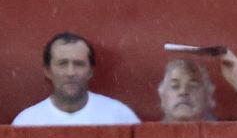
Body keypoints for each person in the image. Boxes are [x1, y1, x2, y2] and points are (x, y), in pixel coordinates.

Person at [11, 32, 140, 127]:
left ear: (91, 71)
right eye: (62, 63)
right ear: (48, 71)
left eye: (78, 64)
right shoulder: (27, 122)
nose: (70, 73)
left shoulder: (119, 116)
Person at [158, 51, 237, 123]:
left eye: (193, 85)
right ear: (162, 98)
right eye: (174, 86)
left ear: (208, 98)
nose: (183, 92)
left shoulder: (226, 135)